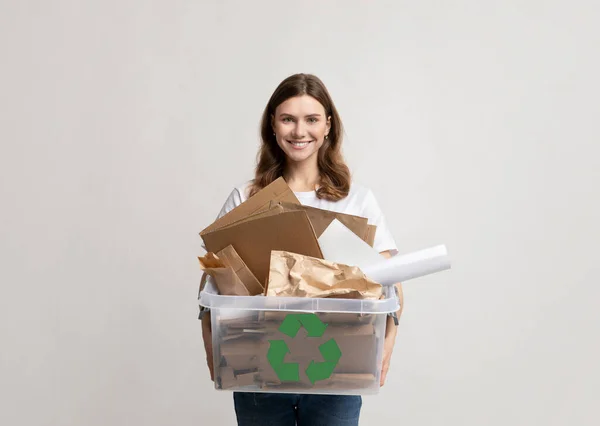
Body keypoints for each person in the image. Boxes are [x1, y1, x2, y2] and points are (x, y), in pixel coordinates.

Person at [202, 73, 404, 426]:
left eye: (311, 119)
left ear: (328, 125)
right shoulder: (247, 198)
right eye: (288, 119)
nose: (300, 131)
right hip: (259, 372)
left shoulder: (356, 200)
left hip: (338, 370)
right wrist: (213, 352)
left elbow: (391, 283)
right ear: (273, 125)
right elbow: (214, 284)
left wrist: (385, 349)